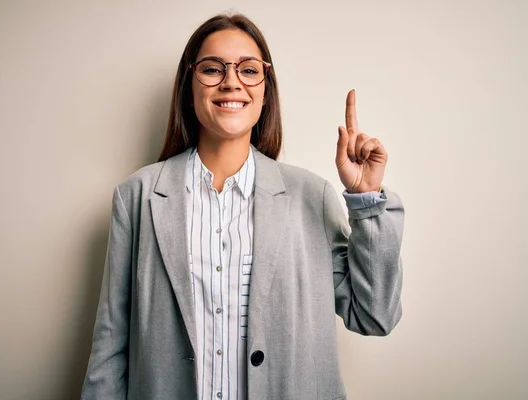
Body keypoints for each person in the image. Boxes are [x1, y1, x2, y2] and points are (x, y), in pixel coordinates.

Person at [81, 12, 404, 400]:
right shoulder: (137, 197)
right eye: (213, 69)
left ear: (265, 90)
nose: (232, 81)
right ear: (189, 86)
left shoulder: (311, 197)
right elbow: (110, 349)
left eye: (249, 70)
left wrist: (367, 201)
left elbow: (375, 316)